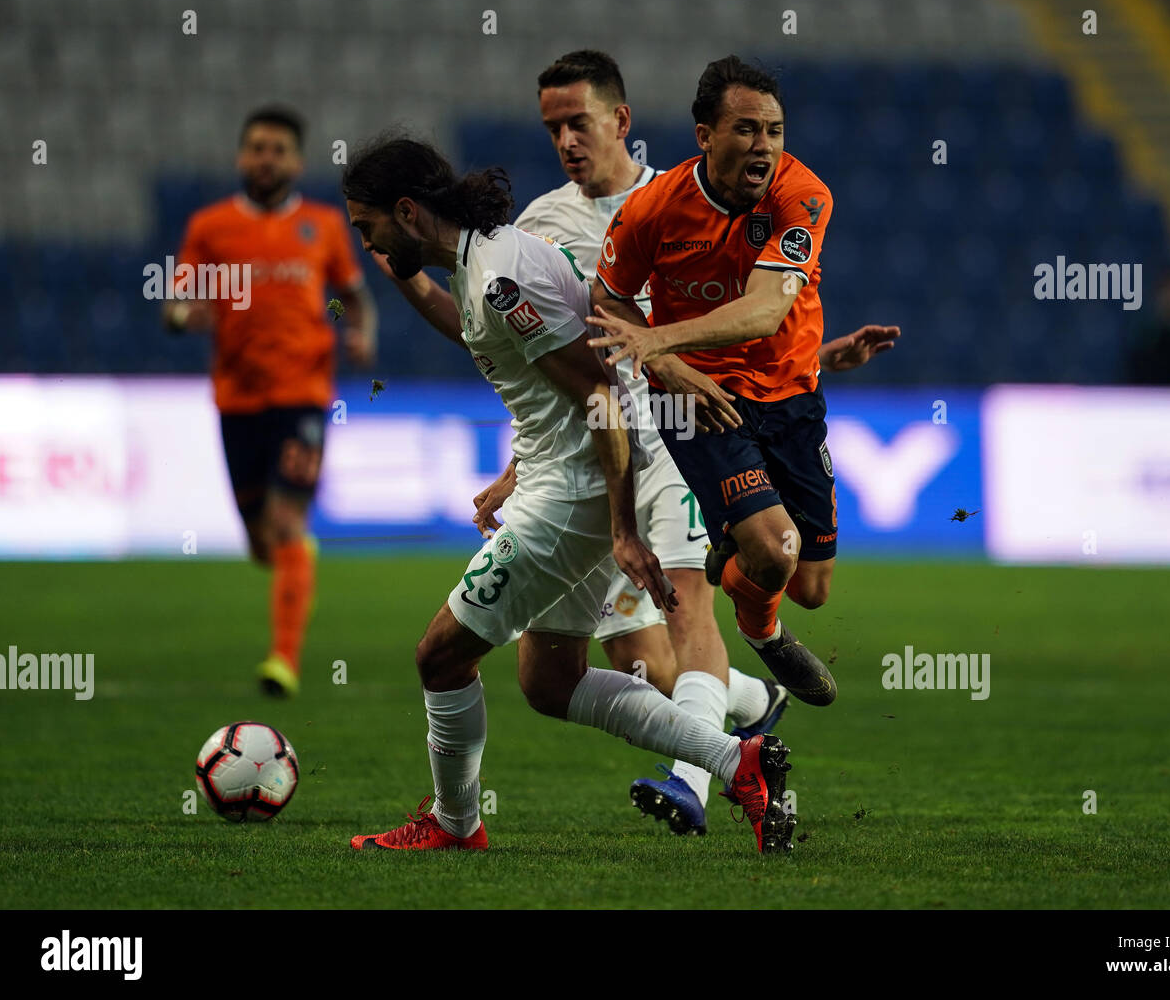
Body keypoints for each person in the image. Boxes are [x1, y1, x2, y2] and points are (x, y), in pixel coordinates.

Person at [341, 134, 796, 854]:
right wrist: (399, 275)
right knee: (550, 680)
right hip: (565, 483)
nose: (363, 239)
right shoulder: (485, 264)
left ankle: (456, 824)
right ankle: (735, 757)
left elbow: (600, 398)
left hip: (571, 497)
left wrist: (619, 525)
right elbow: (490, 342)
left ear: (407, 210)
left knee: (439, 655)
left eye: (368, 226)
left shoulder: (499, 276)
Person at [464, 49, 785, 836]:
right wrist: (518, 469)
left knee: (688, 613)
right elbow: (554, 364)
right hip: (590, 451)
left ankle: (695, 781)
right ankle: (753, 700)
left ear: (622, 121)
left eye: (579, 122)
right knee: (624, 664)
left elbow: (753, 309)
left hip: (684, 433)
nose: (567, 140)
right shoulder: (537, 227)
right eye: (553, 128)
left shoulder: (684, 201)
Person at [589, 56, 899, 707]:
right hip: (701, 402)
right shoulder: (653, 210)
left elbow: (766, 308)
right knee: (778, 550)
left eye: (775, 131)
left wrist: (657, 339)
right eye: (747, 130)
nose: (764, 147)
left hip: (791, 396)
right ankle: (763, 633)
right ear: (705, 135)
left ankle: (733, 565)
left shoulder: (804, 194)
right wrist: (666, 365)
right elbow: (607, 298)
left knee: (809, 584)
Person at [163, 105, 377, 697]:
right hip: (236, 398)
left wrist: (358, 331)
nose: (266, 158)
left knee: (285, 522)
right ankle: (293, 556)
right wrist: (187, 313)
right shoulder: (210, 227)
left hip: (304, 394)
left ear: (296, 161)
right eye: (257, 147)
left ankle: (282, 659)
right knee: (262, 541)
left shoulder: (323, 226)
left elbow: (352, 298)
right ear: (241, 156)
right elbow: (174, 305)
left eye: (278, 149)